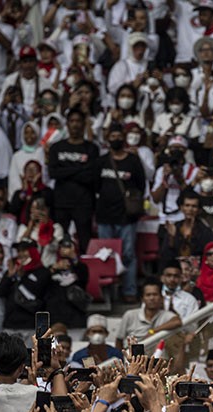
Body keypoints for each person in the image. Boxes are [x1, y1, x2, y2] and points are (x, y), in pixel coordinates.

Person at [94, 123, 145, 303]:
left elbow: (141, 185)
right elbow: (94, 185)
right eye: (112, 136)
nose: (115, 139)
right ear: (107, 138)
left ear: (123, 137)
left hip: (127, 217)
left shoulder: (133, 160)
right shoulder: (101, 161)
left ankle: (129, 290)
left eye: (118, 136)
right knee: (105, 256)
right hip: (104, 216)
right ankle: (107, 292)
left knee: (128, 255)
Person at [48, 108, 100, 253]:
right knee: (59, 240)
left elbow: (90, 175)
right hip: (61, 202)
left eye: (78, 121)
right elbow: (53, 173)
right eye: (72, 121)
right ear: (67, 124)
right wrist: (79, 169)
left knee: (85, 242)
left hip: (83, 203)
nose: (75, 124)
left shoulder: (92, 149)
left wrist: (66, 171)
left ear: (84, 124)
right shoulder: (56, 148)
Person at [0, 240, 51, 334]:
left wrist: (22, 277)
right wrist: (9, 277)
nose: (21, 254)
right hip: (10, 325)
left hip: (31, 327)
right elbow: (0, 292)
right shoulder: (12, 271)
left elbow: (37, 293)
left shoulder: (43, 272)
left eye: (24, 250)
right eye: (19, 251)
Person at [45, 238, 90, 330]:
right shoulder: (51, 269)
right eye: (62, 247)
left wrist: (74, 259)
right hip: (55, 318)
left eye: (68, 247)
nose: (65, 250)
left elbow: (84, 279)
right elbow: (41, 284)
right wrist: (53, 268)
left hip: (76, 317)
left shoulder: (80, 267)